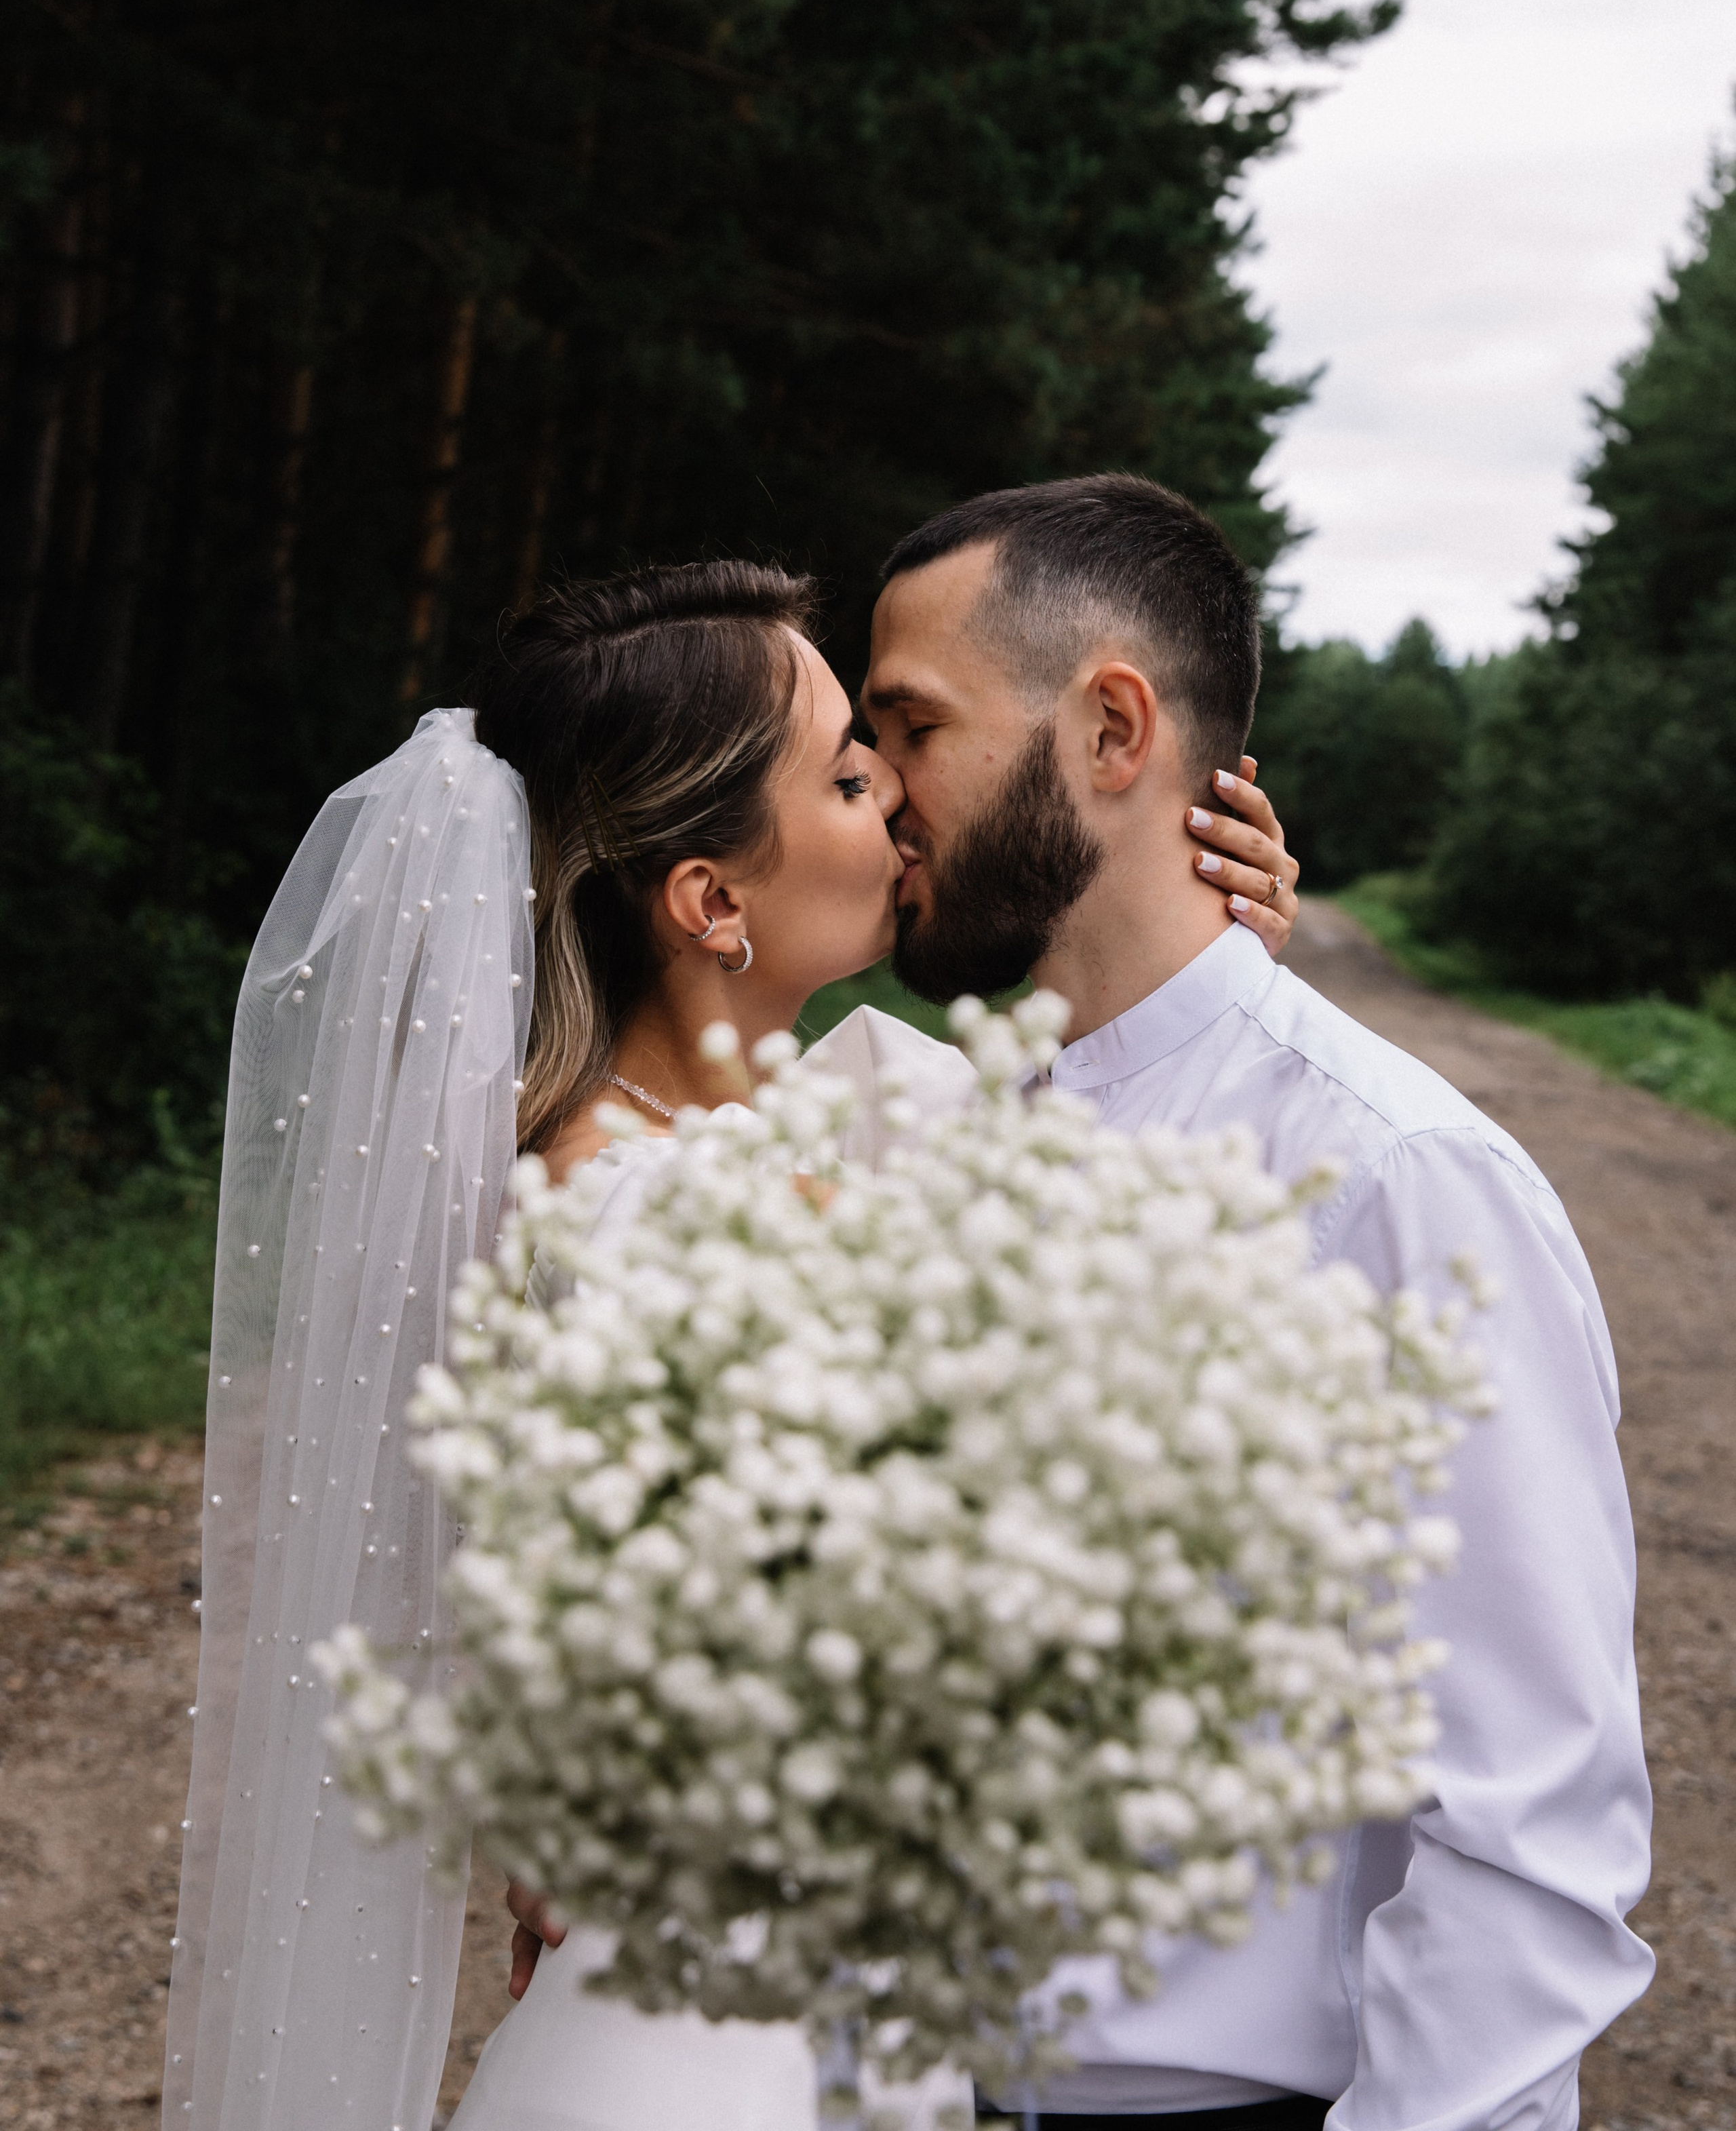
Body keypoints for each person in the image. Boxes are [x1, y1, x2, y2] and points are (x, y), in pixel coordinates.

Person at [505, 477, 1653, 2131]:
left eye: (908, 731)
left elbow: (1526, 1833)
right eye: (854, 756)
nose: (886, 795)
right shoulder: (906, 1132)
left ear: (1111, 731)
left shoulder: (1393, 1180)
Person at [163, 554, 1298, 2131]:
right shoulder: (643, 1217)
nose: (899, 796)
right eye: (845, 774)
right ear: (710, 902)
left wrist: (1197, 962)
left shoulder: (792, 1132)